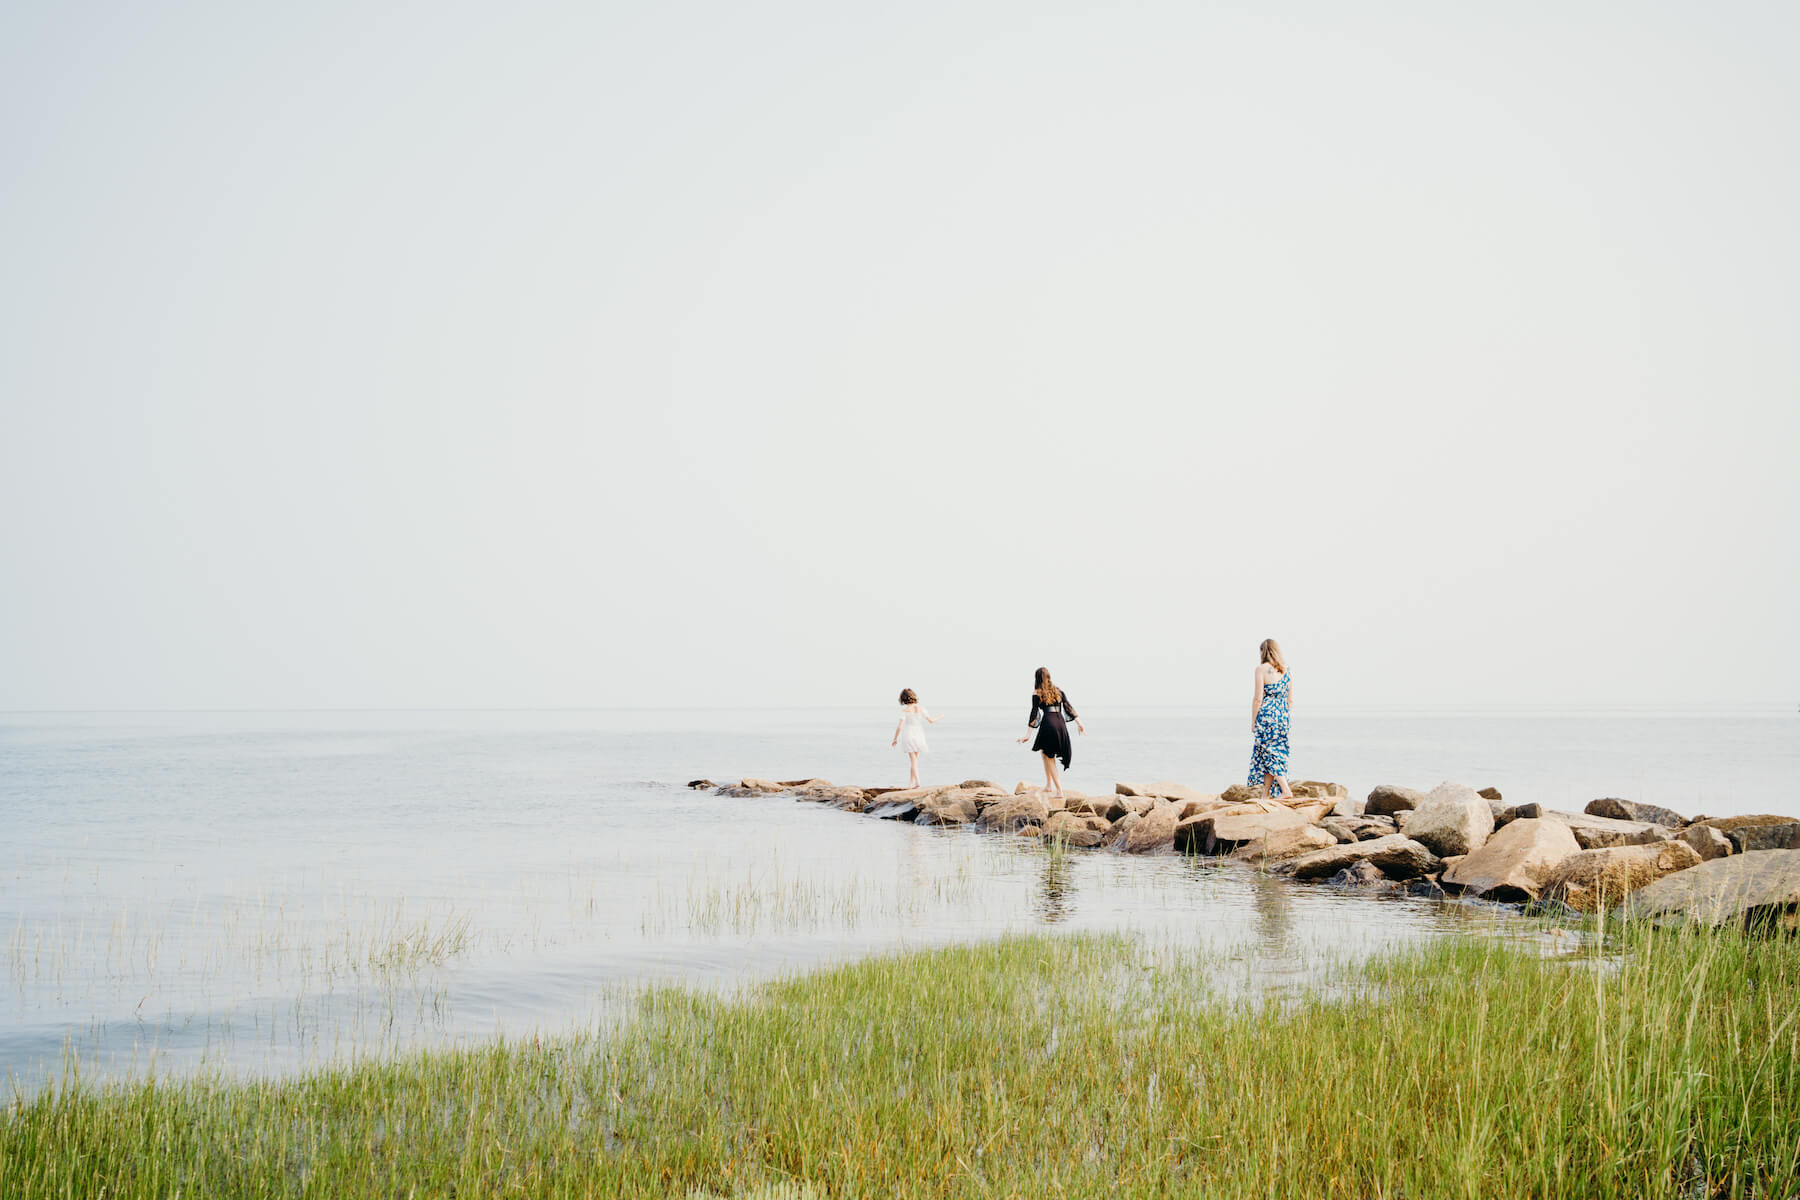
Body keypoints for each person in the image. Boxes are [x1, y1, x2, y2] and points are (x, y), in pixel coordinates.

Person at [1016, 667, 1084, 798]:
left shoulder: (1037, 693)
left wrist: (1028, 734)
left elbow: (1034, 713)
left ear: (1037, 679)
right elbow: (1068, 707)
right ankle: (1048, 785)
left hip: (1049, 724)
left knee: (1049, 757)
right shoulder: (1058, 691)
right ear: (1049, 677)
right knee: (1044, 752)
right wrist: (1079, 723)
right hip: (1060, 723)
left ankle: (1059, 791)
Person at [1249, 638, 1294, 801]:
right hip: (1283, 716)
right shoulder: (1286, 670)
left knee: (1268, 753)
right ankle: (1265, 794)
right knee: (1273, 752)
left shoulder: (1261, 669)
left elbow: (1258, 699)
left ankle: (1285, 789)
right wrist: (1284, 717)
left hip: (1267, 715)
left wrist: (1254, 720)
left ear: (1263, 652)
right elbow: (1290, 699)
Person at [890, 688, 939, 788]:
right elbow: (931, 720)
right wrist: (940, 716)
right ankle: (911, 784)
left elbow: (900, 726)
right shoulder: (921, 708)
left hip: (909, 734)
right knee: (914, 760)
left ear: (903, 699)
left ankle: (917, 782)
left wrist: (895, 739)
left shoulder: (905, 711)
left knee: (913, 761)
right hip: (919, 734)